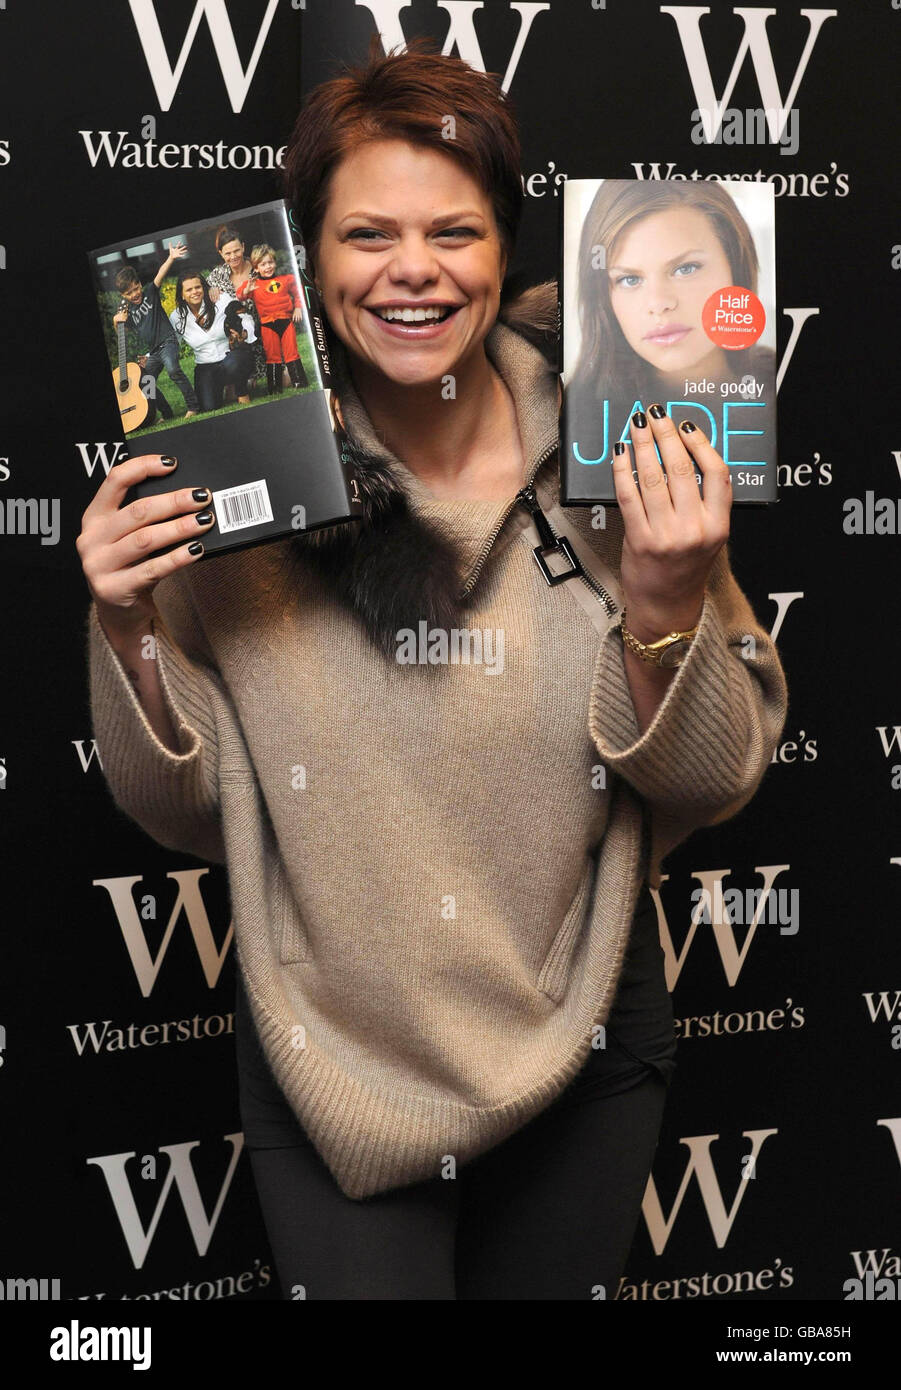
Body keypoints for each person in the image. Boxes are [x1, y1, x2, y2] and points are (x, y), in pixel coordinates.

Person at [78, 39, 789, 1300]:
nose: (413, 270)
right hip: (335, 1053)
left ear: (503, 249)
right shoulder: (232, 473)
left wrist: (671, 602)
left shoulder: (618, 441)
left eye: (452, 232)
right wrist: (129, 624)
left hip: (583, 1028)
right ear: (305, 263)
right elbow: (182, 809)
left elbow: (719, 776)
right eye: (367, 235)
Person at [565, 180, 776, 469]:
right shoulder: (574, 424)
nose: (659, 302)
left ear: (735, 268)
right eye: (629, 279)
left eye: (685, 268)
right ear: (603, 297)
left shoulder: (780, 382)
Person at [113, 242, 199, 421]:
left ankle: (193, 406)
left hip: (167, 342)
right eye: (129, 293)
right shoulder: (128, 312)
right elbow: (124, 331)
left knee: (173, 369)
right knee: (146, 382)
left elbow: (160, 274)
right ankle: (166, 414)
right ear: (123, 296)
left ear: (139, 284)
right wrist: (116, 322)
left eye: (136, 288)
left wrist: (171, 257)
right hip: (152, 352)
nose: (135, 294)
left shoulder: (150, 292)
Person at [168, 269, 256, 414]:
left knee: (233, 364)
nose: (194, 292)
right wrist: (148, 357)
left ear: (203, 287)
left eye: (197, 287)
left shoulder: (219, 299)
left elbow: (245, 316)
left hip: (231, 354)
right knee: (208, 407)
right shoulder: (177, 317)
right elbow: (171, 342)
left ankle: (241, 391)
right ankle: (226, 387)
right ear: (182, 295)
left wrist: (245, 333)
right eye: (189, 290)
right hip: (206, 365)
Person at [235, 244, 309, 395]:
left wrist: (298, 307)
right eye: (263, 264)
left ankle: (299, 382)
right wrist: (246, 290)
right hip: (267, 325)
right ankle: (274, 388)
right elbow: (240, 295)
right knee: (272, 355)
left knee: (291, 352)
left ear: (275, 263)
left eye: (270, 262)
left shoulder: (286, 279)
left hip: (286, 322)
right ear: (256, 268)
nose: (267, 267)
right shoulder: (253, 284)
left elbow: (299, 293)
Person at [206, 225, 267, 388]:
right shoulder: (216, 276)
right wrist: (210, 290)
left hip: (264, 338)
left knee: (285, 381)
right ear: (221, 254)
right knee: (233, 392)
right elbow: (203, 302)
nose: (233, 256)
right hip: (235, 345)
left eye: (236, 251)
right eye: (227, 253)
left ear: (243, 247)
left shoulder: (259, 270)